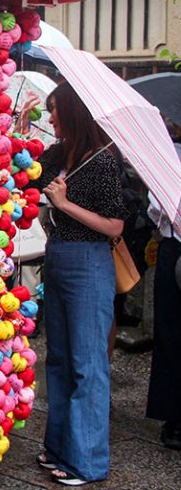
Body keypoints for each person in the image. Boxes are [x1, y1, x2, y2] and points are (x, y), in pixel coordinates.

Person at [16, 83, 127, 486]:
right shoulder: (61, 153)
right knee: (59, 360)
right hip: (59, 255)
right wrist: (21, 125)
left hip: (89, 262)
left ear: (73, 113)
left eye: (54, 111)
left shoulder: (101, 161)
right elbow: (26, 173)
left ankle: (88, 461)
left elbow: (114, 224)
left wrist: (65, 205)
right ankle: (60, 447)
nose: (51, 119)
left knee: (87, 363)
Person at [145, 140, 181, 451]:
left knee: (171, 331)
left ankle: (174, 418)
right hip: (172, 247)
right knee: (169, 330)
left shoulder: (169, 155)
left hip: (175, 247)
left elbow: (156, 208)